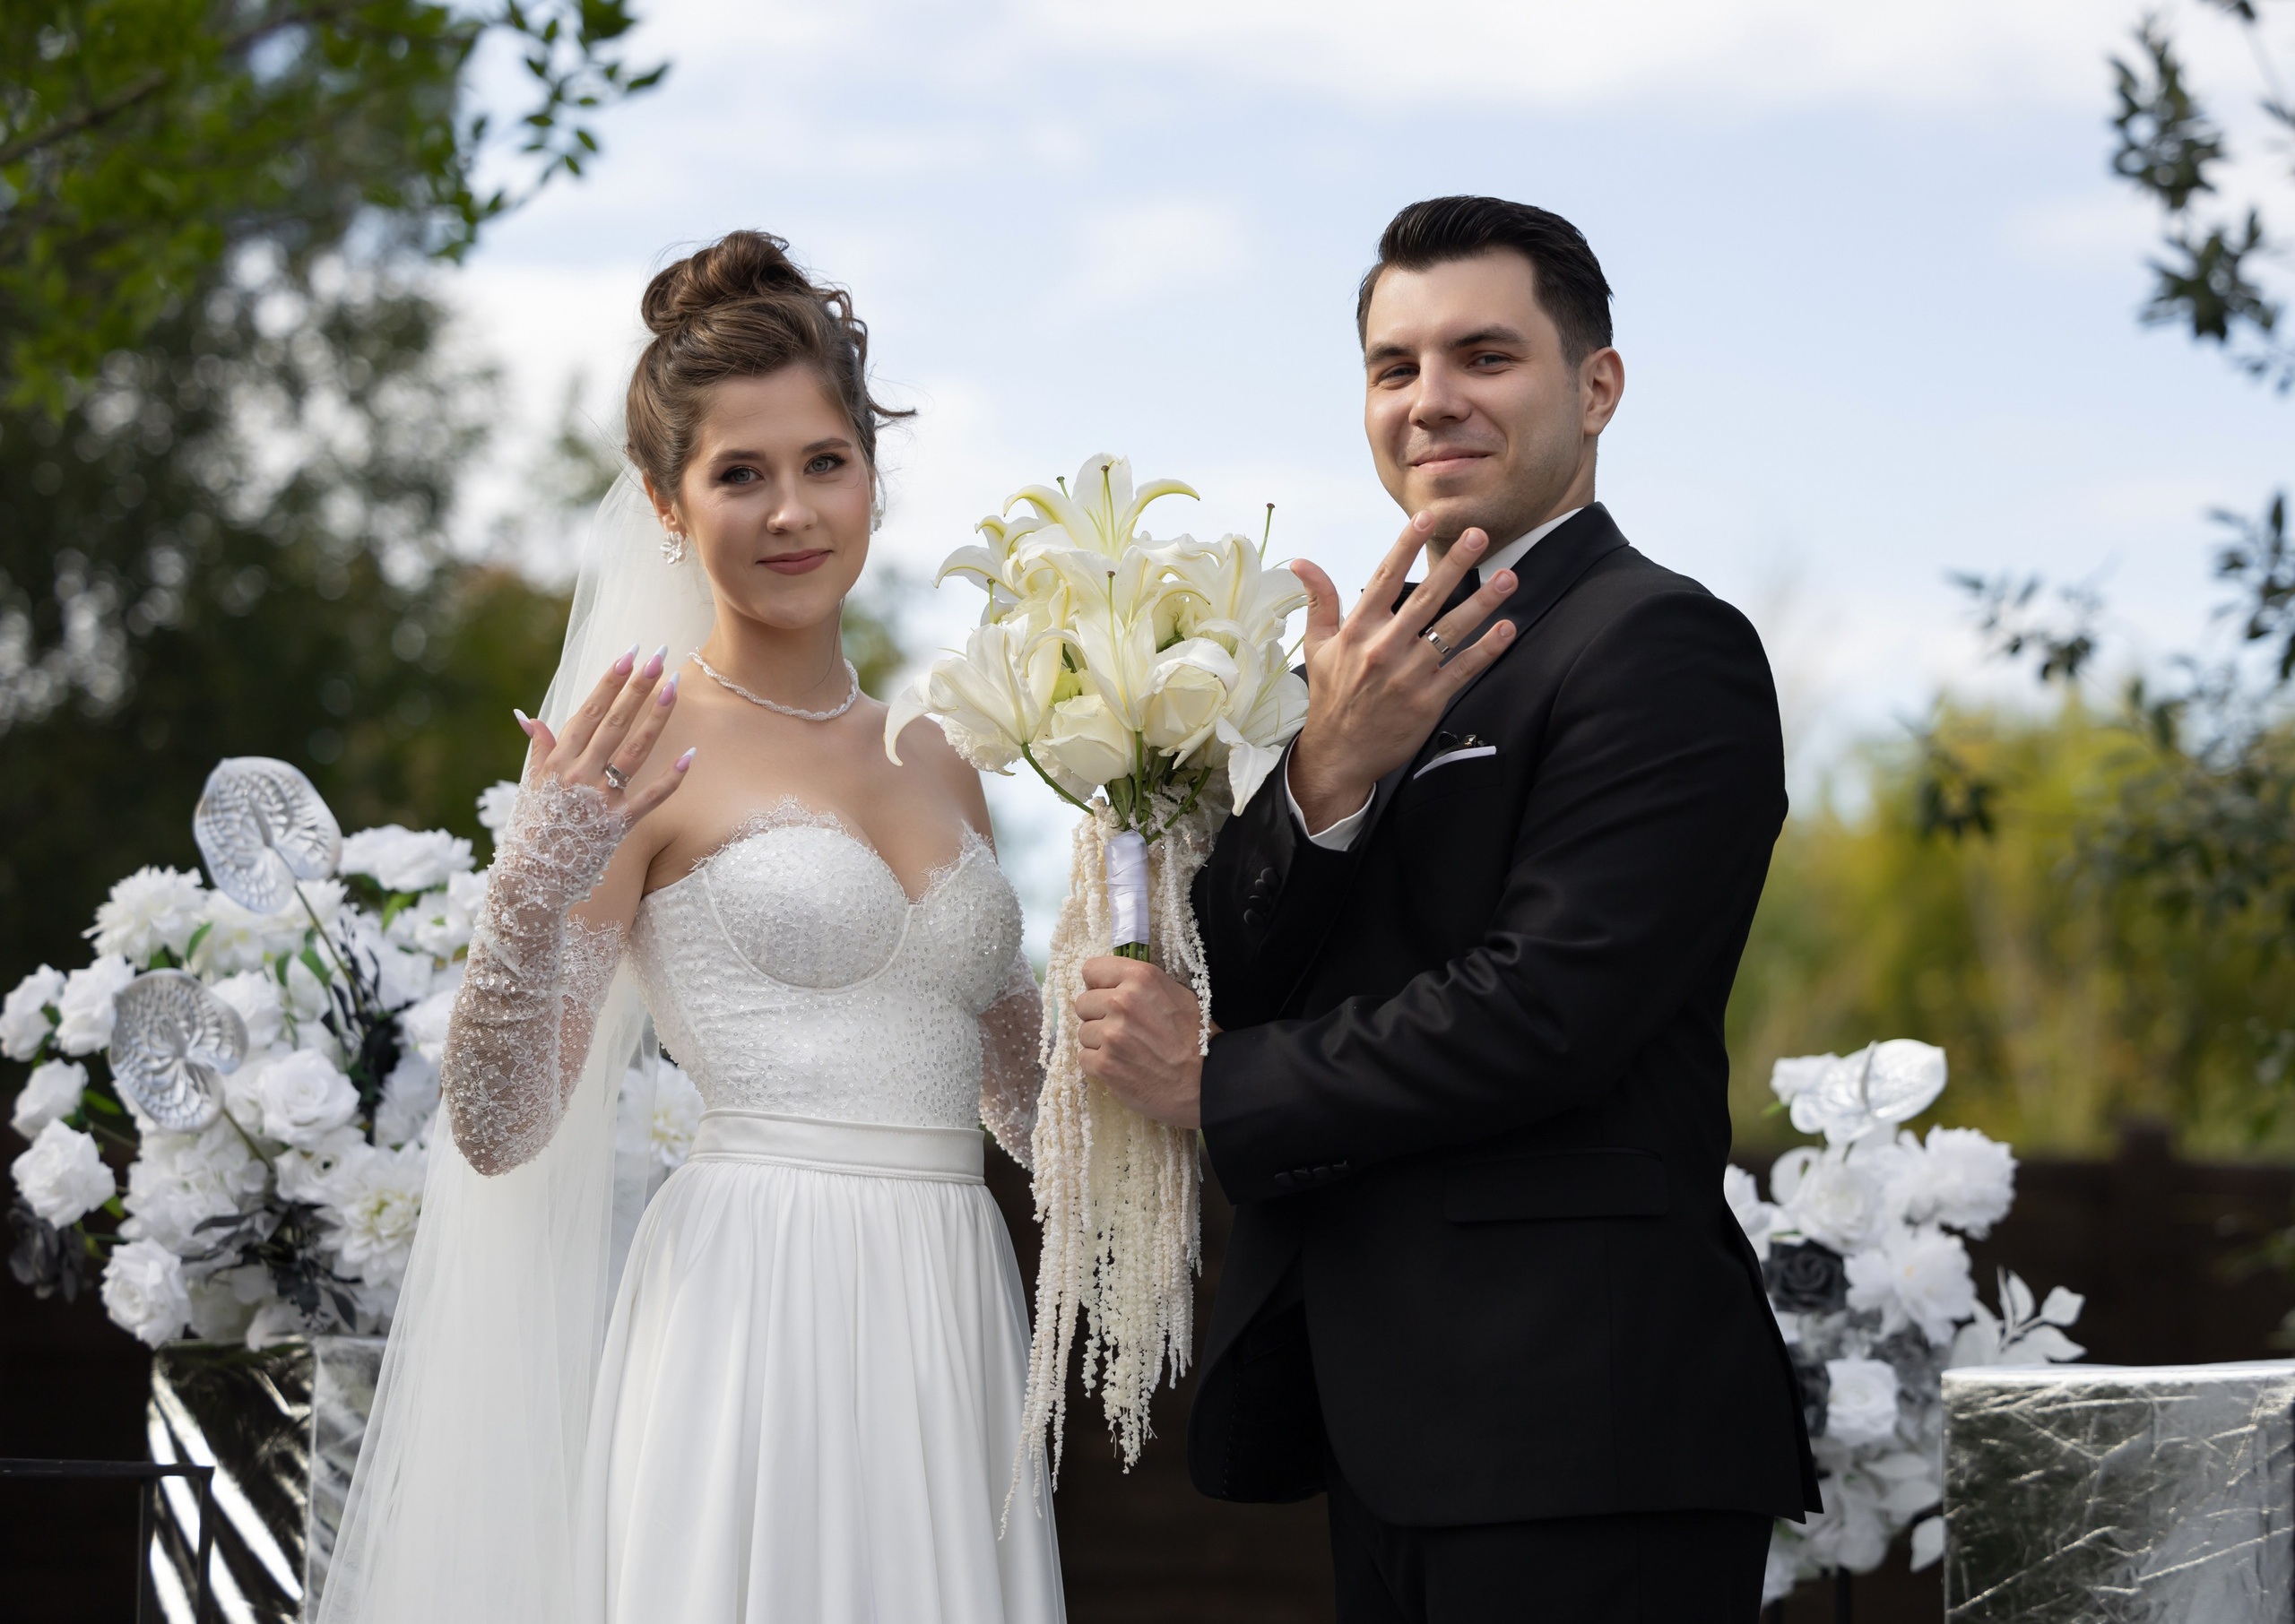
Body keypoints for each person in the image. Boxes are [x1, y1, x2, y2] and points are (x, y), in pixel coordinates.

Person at [1072, 196, 1821, 1622]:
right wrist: (1324, 774)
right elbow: (1258, 966)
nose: (1432, 402)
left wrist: (1218, 1079)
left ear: (1596, 386)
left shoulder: (1662, 645)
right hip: (1393, 1420)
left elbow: (1550, 1008)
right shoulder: (1350, 681)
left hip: (1586, 1425)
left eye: (1485, 356)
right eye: (1394, 366)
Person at [319, 231, 1065, 1624]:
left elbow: (1025, 1108)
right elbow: (500, 1122)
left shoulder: (946, 751)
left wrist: (1145, 946)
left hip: (953, 1304)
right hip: (753, 1304)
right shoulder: (641, 750)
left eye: (825, 462)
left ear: (873, 478)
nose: (793, 511)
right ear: (667, 502)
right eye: (741, 473)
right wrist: (535, 882)